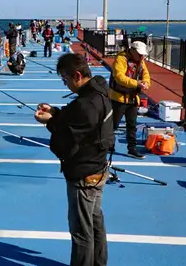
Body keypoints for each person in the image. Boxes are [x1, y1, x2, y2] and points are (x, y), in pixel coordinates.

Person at [35, 53, 116, 266]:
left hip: (84, 173)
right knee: (95, 221)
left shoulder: (86, 103)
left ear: (77, 75)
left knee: (81, 229)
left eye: (65, 79)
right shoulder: (99, 92)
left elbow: (68, 135)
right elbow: (78, 122)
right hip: (99, 168)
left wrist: (49, 122)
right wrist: (55, 112)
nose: (65, 84)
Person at [108, 40, 153, 158]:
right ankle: (107, 145)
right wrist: (136, 84)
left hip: (133, 98)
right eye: (139, 54)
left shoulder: (141, 61)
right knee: (113, 125)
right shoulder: (121, 59)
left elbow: (146, 75)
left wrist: (146, 83)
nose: (141, 56)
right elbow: (119, 77)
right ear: (132, 50)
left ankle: (132, 149)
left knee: (132, 124)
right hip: (118, 98)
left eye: (142, 54)